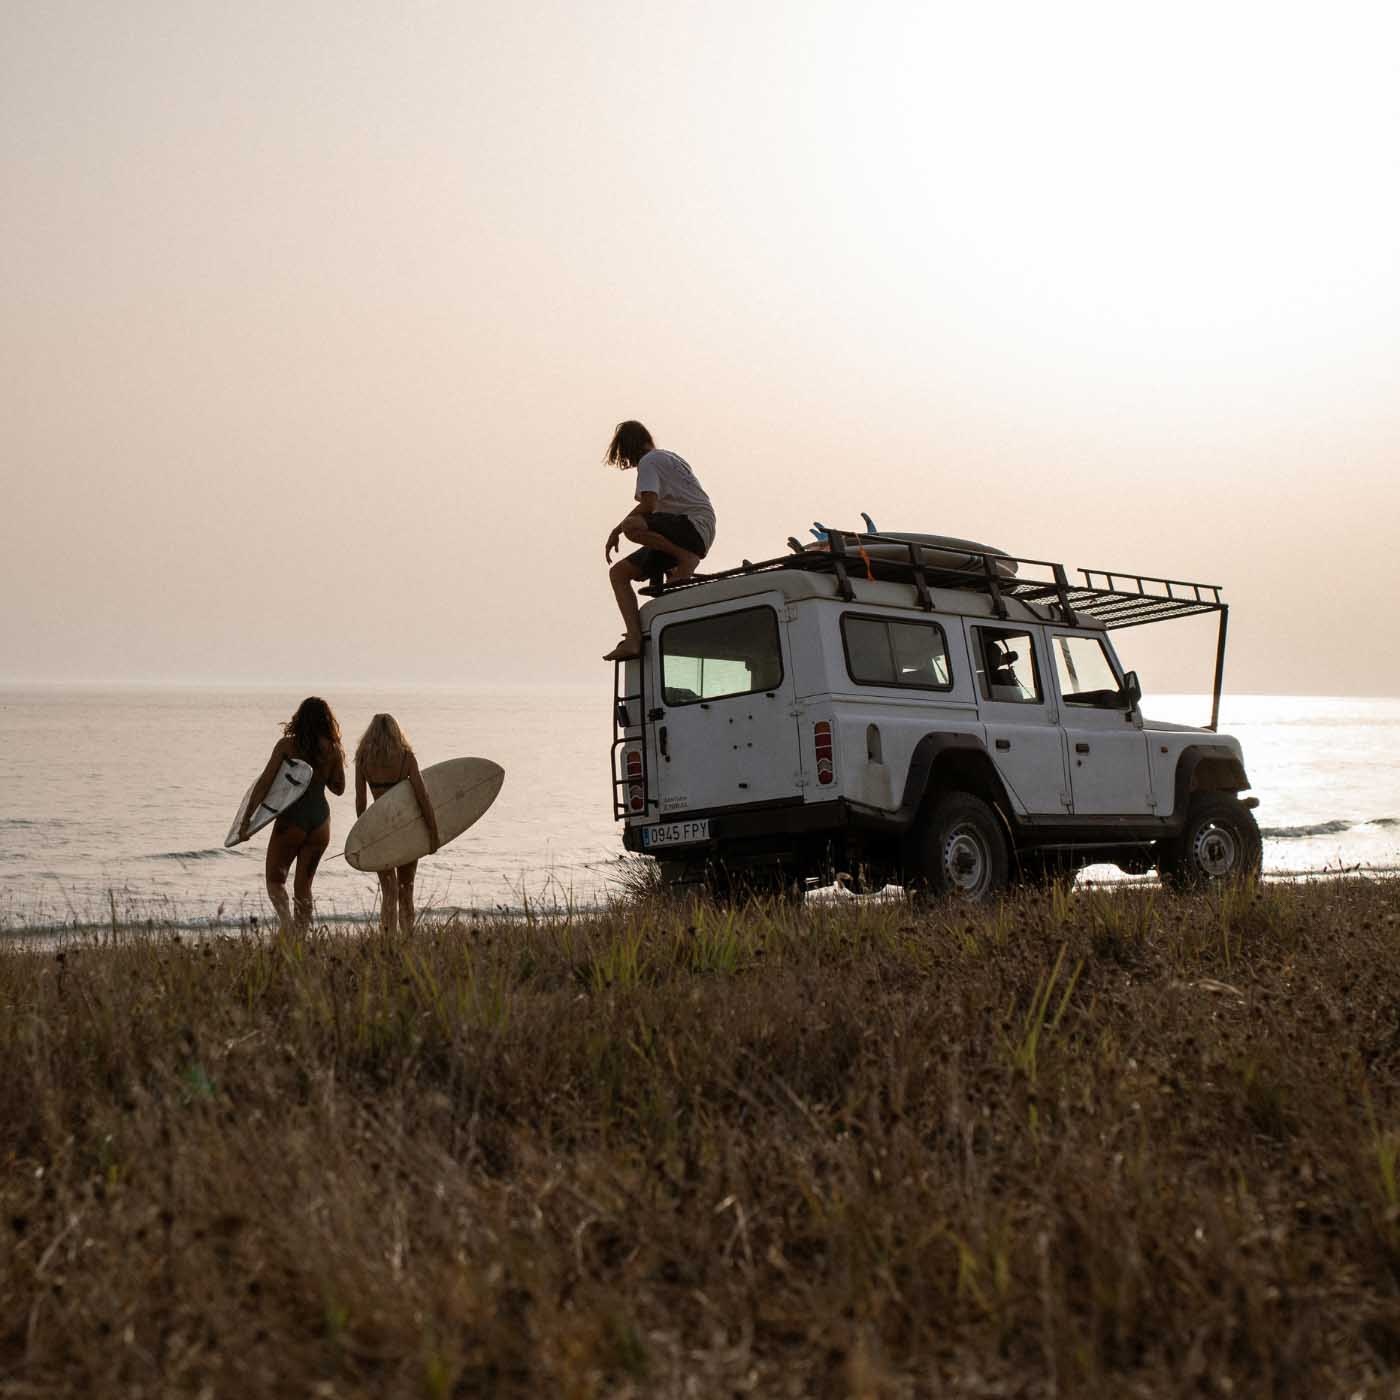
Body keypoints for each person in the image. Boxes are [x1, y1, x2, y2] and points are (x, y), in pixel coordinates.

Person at [602, 420, 716, 661]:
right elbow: (655, 513)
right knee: (619, 573)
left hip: (692, 527)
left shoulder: (650, 461)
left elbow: (648, 506)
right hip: (686, 531)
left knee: (631, 526)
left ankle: (683, 558)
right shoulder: (667, 459)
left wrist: (617, 530)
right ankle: (634, 640)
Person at [239, 696, 346, 929]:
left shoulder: (287, 746)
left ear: (300, 718)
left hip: (292, 821)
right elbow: (339, 789)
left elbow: (264, 784)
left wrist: (247, 820)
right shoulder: (333, 749)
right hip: (320, 823)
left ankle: (288, 927)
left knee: (275, 881)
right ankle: (302, 937)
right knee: (304, 887)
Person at [354, 713, 441, 933]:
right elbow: (423, 797)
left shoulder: (363, 758)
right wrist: (433, 832)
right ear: (396, 733)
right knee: (406, 891)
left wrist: (364, 835)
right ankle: (408, 940)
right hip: (407, 830)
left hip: (380, 831)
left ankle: (387, 941)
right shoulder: (406, 758)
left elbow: (361, 802)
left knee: (388, 893)